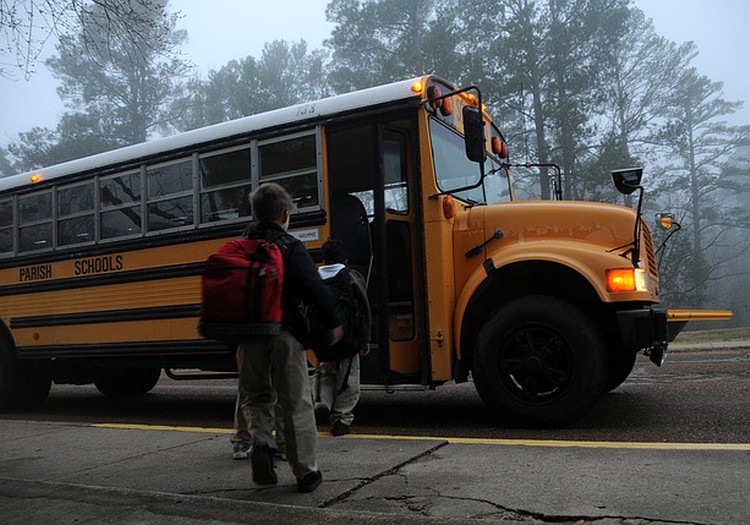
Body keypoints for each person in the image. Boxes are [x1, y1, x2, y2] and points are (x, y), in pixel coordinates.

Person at [237, 182, 342, 493]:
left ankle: (260, 442)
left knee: (255, 398)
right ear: (285, 214)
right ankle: (306, 473)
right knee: (296, 402)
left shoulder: (239, 248)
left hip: (248, 337)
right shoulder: (290, 246)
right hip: (285, 334)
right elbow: (315, 288)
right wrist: (334, 322)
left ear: (255, 214)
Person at [312, 238, 371, 437]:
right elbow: (363, 309)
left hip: (323, 340)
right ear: (344, 259)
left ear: (324, 258)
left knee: (326, 373)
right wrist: (364, 339)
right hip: (348, 339)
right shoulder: (351, 276)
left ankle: (322, 402)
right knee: (348, 377)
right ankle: (342, 418)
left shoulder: (314, 278)